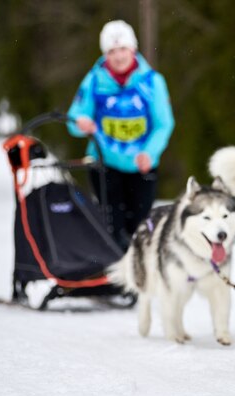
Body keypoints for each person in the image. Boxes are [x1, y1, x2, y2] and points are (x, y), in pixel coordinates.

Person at [68, 20, 174, 249]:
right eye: (112, 51)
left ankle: (137, 278)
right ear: (105, 54)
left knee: (139, 228)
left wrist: (149, 152)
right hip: (104, 165)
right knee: (111, 228)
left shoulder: (152, 81)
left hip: (142, 165)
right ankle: (114, 280)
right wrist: (81, 123)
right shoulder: (94, 80)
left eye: (123, 49)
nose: (118, 56)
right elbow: (74, 119)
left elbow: (164, 124)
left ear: (133, 50)